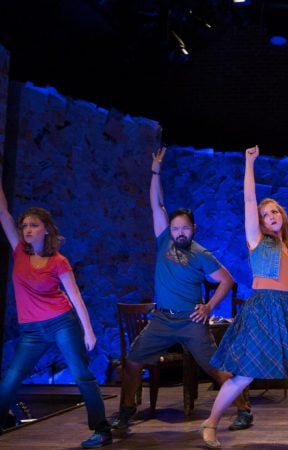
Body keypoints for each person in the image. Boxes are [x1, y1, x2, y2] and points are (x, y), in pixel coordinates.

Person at [112, 147, 251, 431]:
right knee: (133, 362)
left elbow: (227, 280)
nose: (179, 233)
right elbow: (156, 206)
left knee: (215, 368)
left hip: (191, 321)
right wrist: (155, 171)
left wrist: (209, 307)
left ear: (193, 229)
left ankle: (244, 410)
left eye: (184, 228)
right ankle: (126, 411)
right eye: (175, 228)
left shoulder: (201, 254)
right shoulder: (164, 241)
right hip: (162, 319)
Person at [200, 145, 288, 448]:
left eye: (274, 211)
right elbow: (248, 200)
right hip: (262, 307)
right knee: (244, 374)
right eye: (264, 213)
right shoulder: (257, 242)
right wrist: (249, 164)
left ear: (281, 215)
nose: (270, 215)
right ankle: (210, 423)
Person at [0, 178, 112, 448]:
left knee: (81, 374)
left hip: (61, 323)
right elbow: (3, 212)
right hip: (31, 331)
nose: (27, 229)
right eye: (25, 225)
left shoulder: (58, 261)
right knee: (12, 377)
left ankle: (102, 429)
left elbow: (75, 296)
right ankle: (4, 417)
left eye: (34, 225)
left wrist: (88, 330)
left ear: (46, 230)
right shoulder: (19, 252)